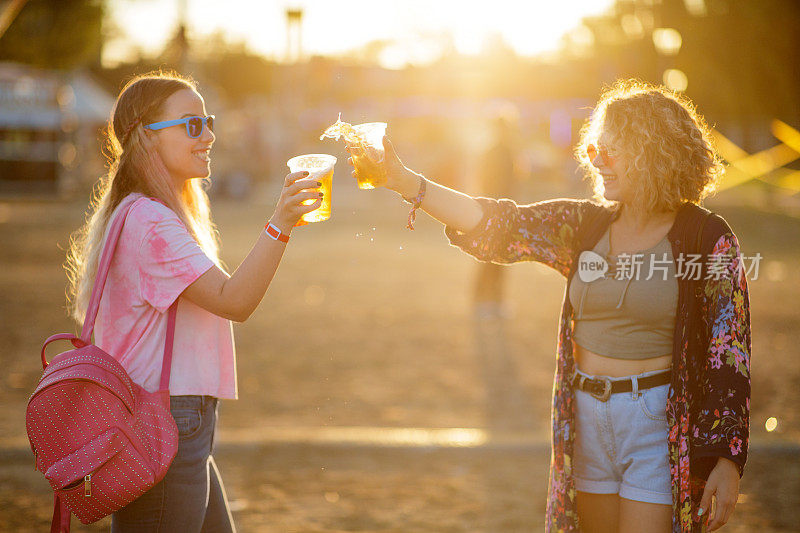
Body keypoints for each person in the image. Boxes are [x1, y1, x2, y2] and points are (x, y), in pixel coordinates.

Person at [348, 79, 751, 533]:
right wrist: (405, 181)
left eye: (610, 150)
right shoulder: (583, 225)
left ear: (650, 152)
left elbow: (729, 355)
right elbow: (497, 221)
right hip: (585, 421)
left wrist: (727, 459)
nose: (594, 159)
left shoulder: (707, 238)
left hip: (658, 426)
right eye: (595, 148)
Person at [65, 71, 322, 532]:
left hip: (173, 417)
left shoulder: (137, 210)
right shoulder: (150, 223)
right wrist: (280, 223)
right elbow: (234, 299)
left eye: (208, 121)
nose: (209, 135)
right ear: (146, 137)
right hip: (166, 418)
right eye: (191, 125)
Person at [473, 114, 519, 320]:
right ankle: (483, 301)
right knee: (488, 256)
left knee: (499, 256)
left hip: (503, 211)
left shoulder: (506, 151)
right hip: (494, 211)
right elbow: (485, 182)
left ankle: (495, 301)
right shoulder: (495, 152)